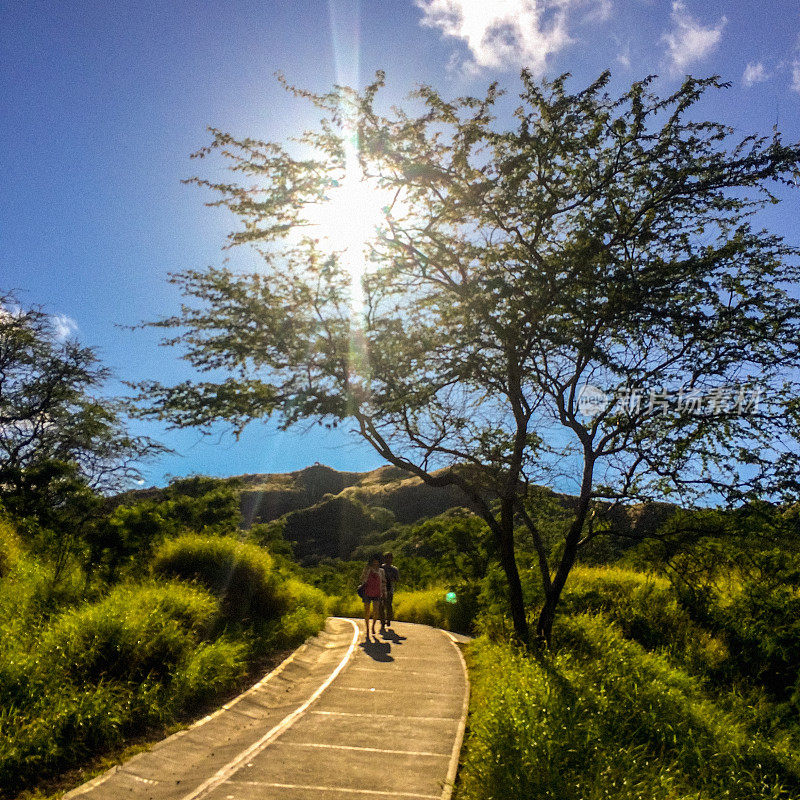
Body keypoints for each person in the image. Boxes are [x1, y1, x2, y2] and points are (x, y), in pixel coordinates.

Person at [359, 554, 386, 640]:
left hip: (377, 593)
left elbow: (383, 582)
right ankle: (367, 628)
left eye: (377, 562)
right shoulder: (367, 569)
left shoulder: (381, 571)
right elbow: (362, 579)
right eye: (374, 562)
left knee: (376, 612)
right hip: (367, 592)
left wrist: (384, 592)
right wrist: (367, 572)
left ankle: (373, 626)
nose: (375, 564)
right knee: (367, 611)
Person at [380, 552, 399, 630]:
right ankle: (382, 621)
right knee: (381, 606)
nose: (389, 560)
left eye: (390, 558)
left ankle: (388, 619)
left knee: (388, 606)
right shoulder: (381, 568)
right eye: (387, 558)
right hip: (381, 589)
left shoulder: (394, 569)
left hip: (389, 589)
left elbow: (397, 579)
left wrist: (391, 579)